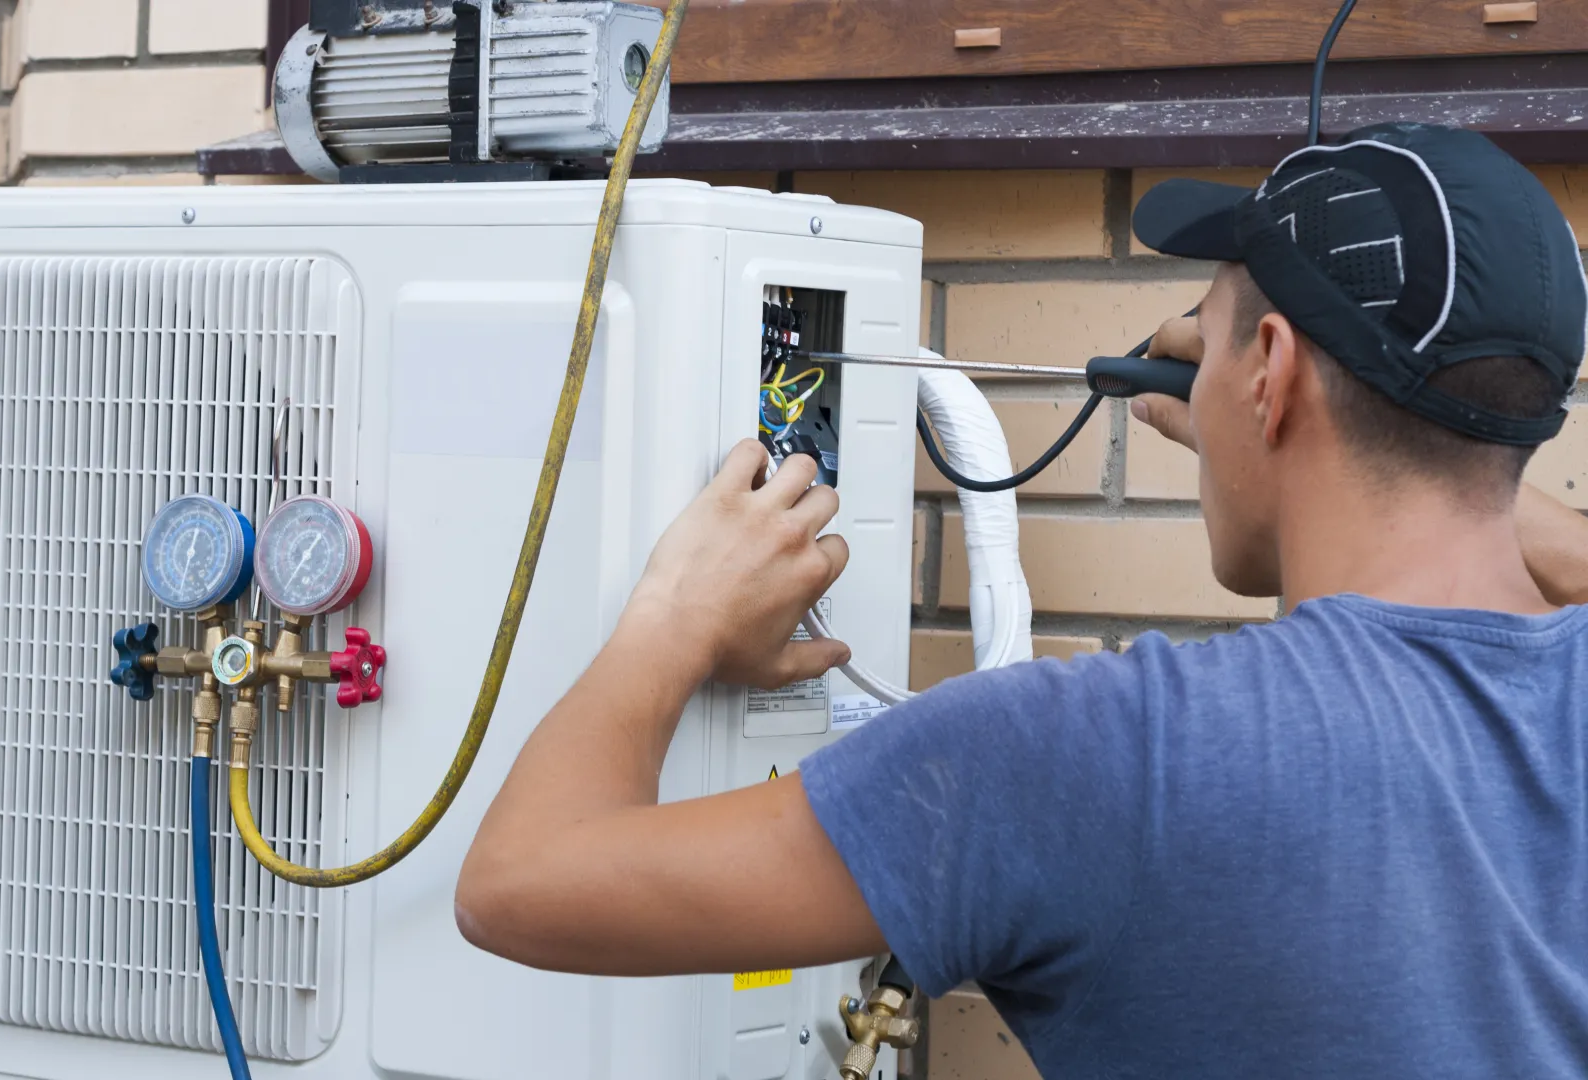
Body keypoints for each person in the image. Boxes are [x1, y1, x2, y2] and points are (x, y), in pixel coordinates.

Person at [456, 122, 1588, 1077]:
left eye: (1215, 328)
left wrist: (677, 614)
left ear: (1273, 369)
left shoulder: (1098, 755)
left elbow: (519, 884)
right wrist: (1371, 443)